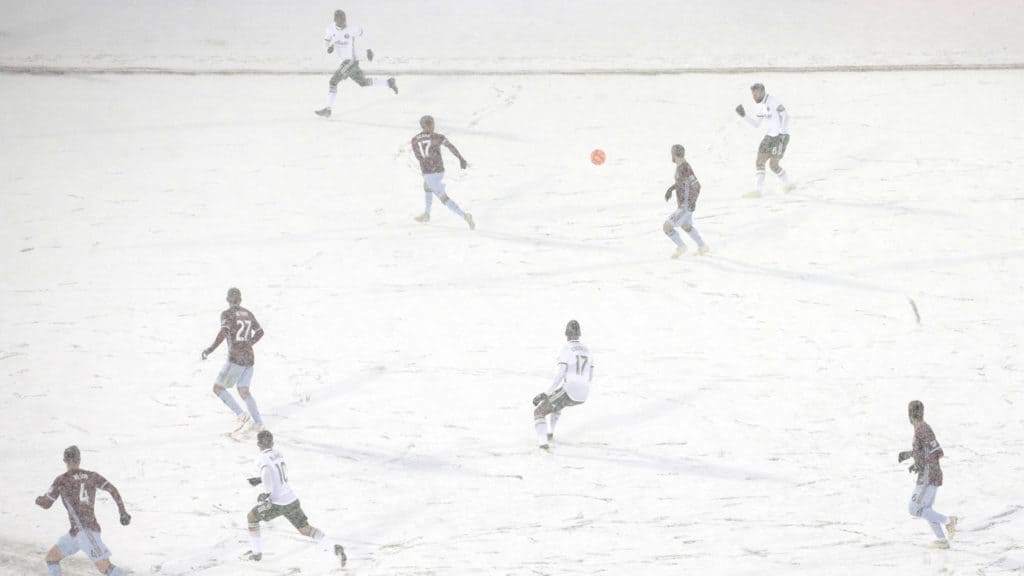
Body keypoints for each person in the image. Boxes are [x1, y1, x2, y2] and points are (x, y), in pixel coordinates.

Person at [243, 430, 347, 567]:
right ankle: (334, 547)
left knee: (252, 517)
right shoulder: (278, 454)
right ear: (272, 443)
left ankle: (256, 554)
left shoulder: (261, 458)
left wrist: (266, 494)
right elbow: (278, 473)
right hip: (291, 499)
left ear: (258, 444)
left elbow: (267, 472)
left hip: (277, 503)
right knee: (305, 529)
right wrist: (260, 479)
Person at [35, 446, 131, 576]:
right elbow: (112, 489)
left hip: (85, 532)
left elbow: (46, 504)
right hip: (76, 533)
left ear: (64, 460)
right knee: (52, 557)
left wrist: (38, 499)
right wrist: (122, 512)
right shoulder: (91, 476)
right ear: (79, 459)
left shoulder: (62, 480)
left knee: (106, 568)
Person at [202, 287, 265, 433]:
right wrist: (249, 343)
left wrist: (210, 349)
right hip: (249, 358)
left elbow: (223, 333)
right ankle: (259, 423)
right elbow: (260, 332)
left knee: (218, 388)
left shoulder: (227, 314)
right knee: (244, 391)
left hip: (236, 359)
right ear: (240, 300)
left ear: (228, 300)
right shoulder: (248, 313)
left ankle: (242, 416)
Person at [315, 9, 398, 118]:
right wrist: (328, 48)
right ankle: (388, 82)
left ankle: (328, 109)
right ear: (335, 20)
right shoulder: (330, 29)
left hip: (351, 62)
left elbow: (364, 35)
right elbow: (326, 42)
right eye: (340, 20)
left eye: (344, 19)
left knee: (333, 81)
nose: (343, 22)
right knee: (363, 83)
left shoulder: (352, 30)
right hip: (344, 63)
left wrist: (369, 49)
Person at [898, 400, 958, 548]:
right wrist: (911, 456)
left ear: (910, 415)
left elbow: (936, 451)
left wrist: (920, 463)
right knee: (926, 509)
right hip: (928, 474)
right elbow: (926, 451)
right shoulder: (922, 428)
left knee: (915, 508)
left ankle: (949, 521)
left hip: (929, 476)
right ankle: (942, 540)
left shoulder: (922, 429)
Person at [532, 320, 593, 450]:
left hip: (570, 391)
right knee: (558, 401)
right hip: (584, 394)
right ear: (579, 334)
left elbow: (560, 374)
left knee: (539, 411)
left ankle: (543, 446)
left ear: (566, 333)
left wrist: (545, 393)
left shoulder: (565, 348)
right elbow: (590, 376)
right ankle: (550, 433)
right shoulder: (588, 350)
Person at [411, 115, 475, 229]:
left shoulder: (414, 140)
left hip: (428, 171)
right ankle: (427, 214)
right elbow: (450, 147)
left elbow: (418, 156)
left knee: (443, 198)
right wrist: (460, 158)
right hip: (437, 170)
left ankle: (465, 216)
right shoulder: (438, 137)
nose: (433, 126)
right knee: (426, 187)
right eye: (432, 124)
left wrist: (425, 165)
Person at [735, 82, 794, 197]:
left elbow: (786, 116)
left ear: (762, 92)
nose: (754, 96)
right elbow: (757, 124)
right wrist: (744, 116)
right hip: (770, 136)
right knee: (759, 161)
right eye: (752, 94)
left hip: (781, 136)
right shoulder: (760, 105)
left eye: (756, 94)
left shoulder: (773, 101)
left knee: (773, 165)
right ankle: (758, 191)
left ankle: (788, 185)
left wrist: (782, 133)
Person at [662, 144, 709, 259]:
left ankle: (681, 246)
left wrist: (690, 202)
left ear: (674, 154)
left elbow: (697, 186)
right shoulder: (681, 167)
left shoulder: (685, 167)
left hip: (685, 206)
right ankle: (702, 246)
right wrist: (671, 189)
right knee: (686, 226)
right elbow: (681, 183)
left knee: (667, 227)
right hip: (685, 205)